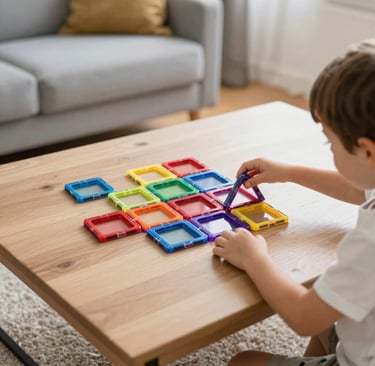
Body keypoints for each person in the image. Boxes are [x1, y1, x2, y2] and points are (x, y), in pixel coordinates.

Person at [213, 39, 375, 366]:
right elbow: (359, 190)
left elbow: (304, 318)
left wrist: (254, 257)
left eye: (330, 143)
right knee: (329, 315)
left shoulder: (370, 242)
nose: (329, 149)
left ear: (367, 150)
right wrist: (288, 172)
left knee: (242, 362)